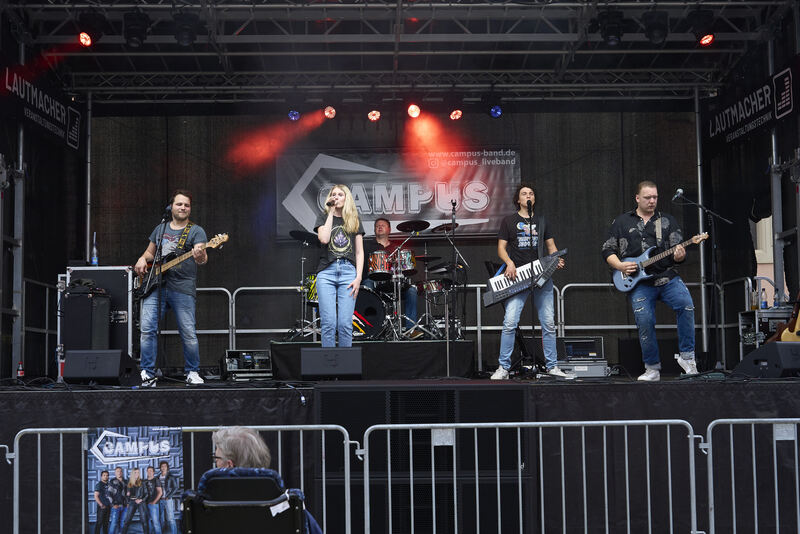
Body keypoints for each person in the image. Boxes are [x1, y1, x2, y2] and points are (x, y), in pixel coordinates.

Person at [602, 180, 699, 381]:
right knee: (644, 320)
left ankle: (688, 359)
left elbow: (677, 255)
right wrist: (620, 266)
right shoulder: (621, 222)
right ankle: (652, 368)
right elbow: (607, 250)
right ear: (637, 198)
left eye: (655, 197)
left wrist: (680, 255)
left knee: (686, 305)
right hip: (639, 283)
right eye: (647, 197)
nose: (652, 201)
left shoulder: (667, 221)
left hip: (666, 278)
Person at [490, 183, 572, 380]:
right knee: (510, 322)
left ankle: (552, 366)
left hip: (542, 276)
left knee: (548, 324)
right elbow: (501, 248)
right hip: (518, 276)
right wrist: (509, 263)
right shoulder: (509, 221)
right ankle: (503, 368)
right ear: (518, 200)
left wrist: (556, 259)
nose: (528, 196)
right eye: (524, 193)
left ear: (534, 199)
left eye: (531, 193)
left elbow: (551, 246)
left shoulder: (542, 221)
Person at [135, 189, 208, 386]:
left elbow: (202, 259)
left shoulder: (195, 231)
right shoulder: (160, 229)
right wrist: (142, 259)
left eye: (187, 205)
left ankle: (192, 372)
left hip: (182, 287)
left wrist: (200, 254)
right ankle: (147, 373)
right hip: (156, 286)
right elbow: (150, 253)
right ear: (171, 207)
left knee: (188, 332)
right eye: (179, 204)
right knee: (147, 329)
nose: (183, 208)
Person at [209, 427, 322, 534]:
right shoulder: (290, 504)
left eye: (216, 459)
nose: (216, 463)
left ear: (229, 465)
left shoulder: (205, 506)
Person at [314, 185, 365, 347]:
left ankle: (346, 369)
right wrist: (330, 212)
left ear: (346, 198)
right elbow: (324, 239)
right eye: (333, 194)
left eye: (340, 194)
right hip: (326, 272)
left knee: (345, 324)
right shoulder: (323, 217)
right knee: (328, 324)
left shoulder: (354, 219)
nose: (336, 197)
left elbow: (359, 252)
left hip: (348, 272)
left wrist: (358, 277)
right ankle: (329, 368)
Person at [363, 217, 420, 335]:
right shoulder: (366, 246)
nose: (379, 227)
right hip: (374, 281)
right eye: (377, 225)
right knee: (367, 285)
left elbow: (405, 270)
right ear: (374, 230)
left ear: (389, 229)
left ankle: (411, 330)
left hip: (393, 283)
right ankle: (370, 329)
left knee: (412, 291)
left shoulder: (397, 248)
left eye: (382, 225)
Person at [120, 467, 148, 534]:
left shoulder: (142, 482)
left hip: (140, 502)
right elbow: (124, 494)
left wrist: (141, 499)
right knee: (127, 520)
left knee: (144, 520)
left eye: (138, 472)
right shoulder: (128, 483)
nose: (137, 474)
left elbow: (146, 494)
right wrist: (128, 499)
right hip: (132, 502)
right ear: (132, 473)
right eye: (135, 472)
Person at [157, 461, 178, 534]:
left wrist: (169, 496)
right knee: (161, 518)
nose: (163, 468)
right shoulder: (158, 477)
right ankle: (162, 532)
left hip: (168, 499)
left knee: (171, 518)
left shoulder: (170, 477)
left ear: (167, 467)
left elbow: (175, 487)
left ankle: (174, 532)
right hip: (160, 500)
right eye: (162, 466)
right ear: (160, 468)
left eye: (165, 466)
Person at [143, 466, 163, 534]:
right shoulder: (144, 481)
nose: (149, 472)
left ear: (153, 472)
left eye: (151, 471)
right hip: (145, 504)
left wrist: (154, 502)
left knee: (155, 522)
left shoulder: (156, 480)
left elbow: (160, 492)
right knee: (147, 521)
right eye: (148, 471)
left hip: (153, 504)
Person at [108, 467, 127, 534]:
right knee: (114, 523)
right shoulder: (112, 481)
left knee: (123, 523)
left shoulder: (125, 482)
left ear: (122, 472)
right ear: (115, 473)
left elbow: (128, 494)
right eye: (117, 471)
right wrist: (113, 504)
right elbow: (109, 494)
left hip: (124, 507)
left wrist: (128, 503)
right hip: (116, 506)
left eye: (120, 471)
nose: (119, 472)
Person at [93, 470, 111, 534]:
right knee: (99, 523)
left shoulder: (109, 484)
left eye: (107, 475)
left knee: (106, 523)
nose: (106, 477)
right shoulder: (99, 485)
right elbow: (96, 496)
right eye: (104, 475)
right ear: (101, 476)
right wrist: (101, 504)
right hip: (102, 507)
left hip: (108, 506)